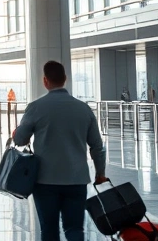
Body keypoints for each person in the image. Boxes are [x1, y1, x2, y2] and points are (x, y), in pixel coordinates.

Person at [12, 61, 107, 241]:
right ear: (65, 79)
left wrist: (17, 132)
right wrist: (100, 173)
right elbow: (97, 146)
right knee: (74, 229)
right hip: (77, 179)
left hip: (45, 180)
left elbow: (20, 140)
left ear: (45, 81)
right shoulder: (83, 108)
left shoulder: (36, 107)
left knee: (49, 230)